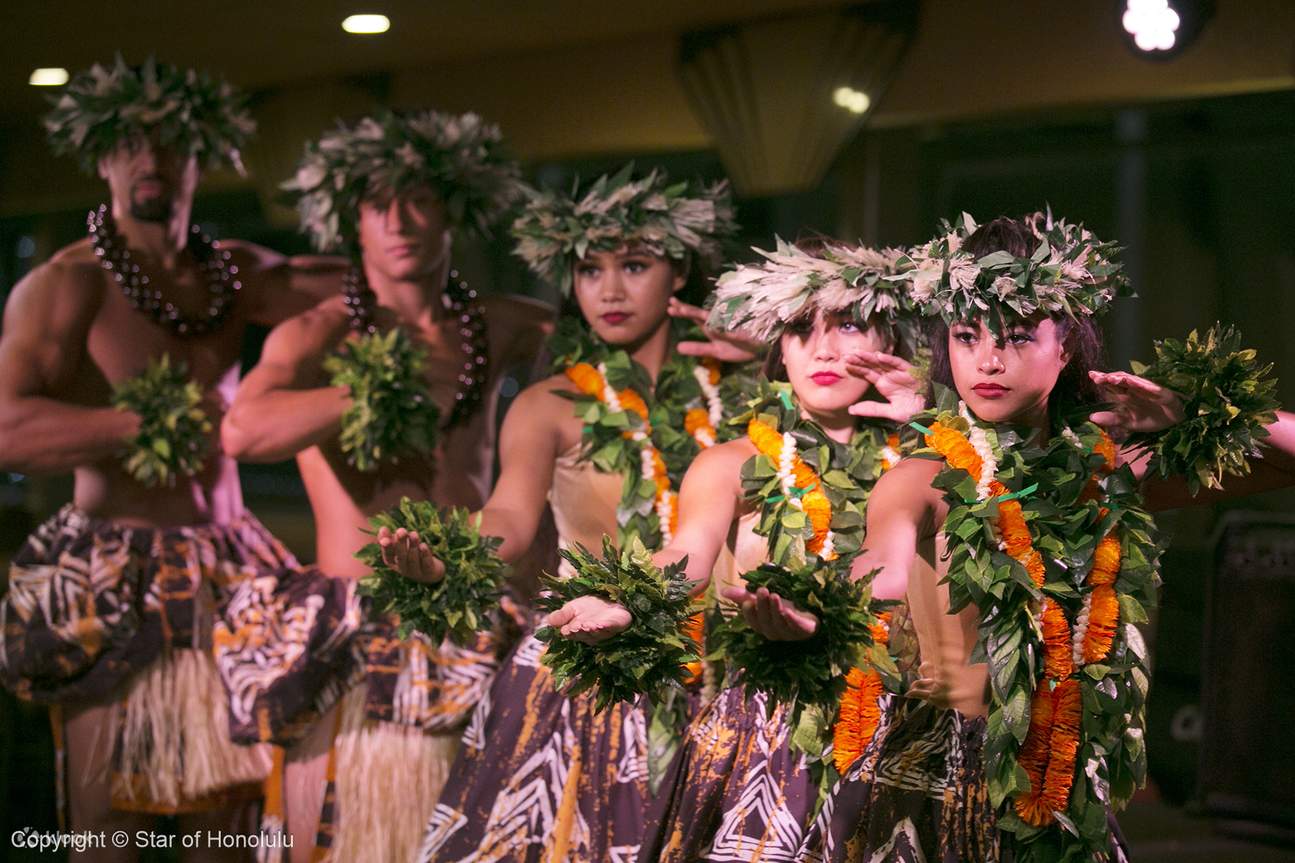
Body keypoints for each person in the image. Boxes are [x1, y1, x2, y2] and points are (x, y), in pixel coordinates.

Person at [750, 214, 1295, 861]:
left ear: (1065, 346)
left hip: (1062, 791)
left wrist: (1195, 413)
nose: (986, 358)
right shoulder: (925, 475)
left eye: (1013, 336)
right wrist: (812, 610)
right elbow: (881, 566)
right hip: (937, 792)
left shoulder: (1106, 471)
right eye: (965, 334)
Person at [0, 56, 342, 862]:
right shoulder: (66, 284)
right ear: (101, 157)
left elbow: (363, 297)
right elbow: (7, 426)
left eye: (170, 143)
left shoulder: (236, 272)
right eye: (128, 143)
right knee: (104, 828)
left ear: (201, 156)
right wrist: (147, 421)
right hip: (114, 570)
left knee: (225, 829)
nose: (148, 159)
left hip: (230, 567)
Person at [211, 108, 555, 863]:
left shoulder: (503, 326)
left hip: (472, 616)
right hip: (353, 619)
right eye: (376, 203)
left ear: (453, 210)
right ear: (350, 219)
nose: (399, 221)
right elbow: (242, 431)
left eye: (418, 199)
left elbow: (614, 359)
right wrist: (362, 390)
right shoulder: (320, 334)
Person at [382, 165, 753, 862]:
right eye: (588, 269)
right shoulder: (547, 402)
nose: (608, 290)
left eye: (634, 265)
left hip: (721, 673)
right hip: (591, 669)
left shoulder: (746, 394)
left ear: (679, 273)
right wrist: (448, 557)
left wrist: (767, 360)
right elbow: (509, 518)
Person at [546, 238, 927, 862]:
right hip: (767, 740)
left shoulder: (930, 461)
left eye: (850, 324)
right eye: (801, 328)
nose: (825, 348)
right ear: (778, 344)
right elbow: (687, 557)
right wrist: (628, 602)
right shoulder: (730, 463)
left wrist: (929, 420)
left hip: (899, 738)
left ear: (891, 339)